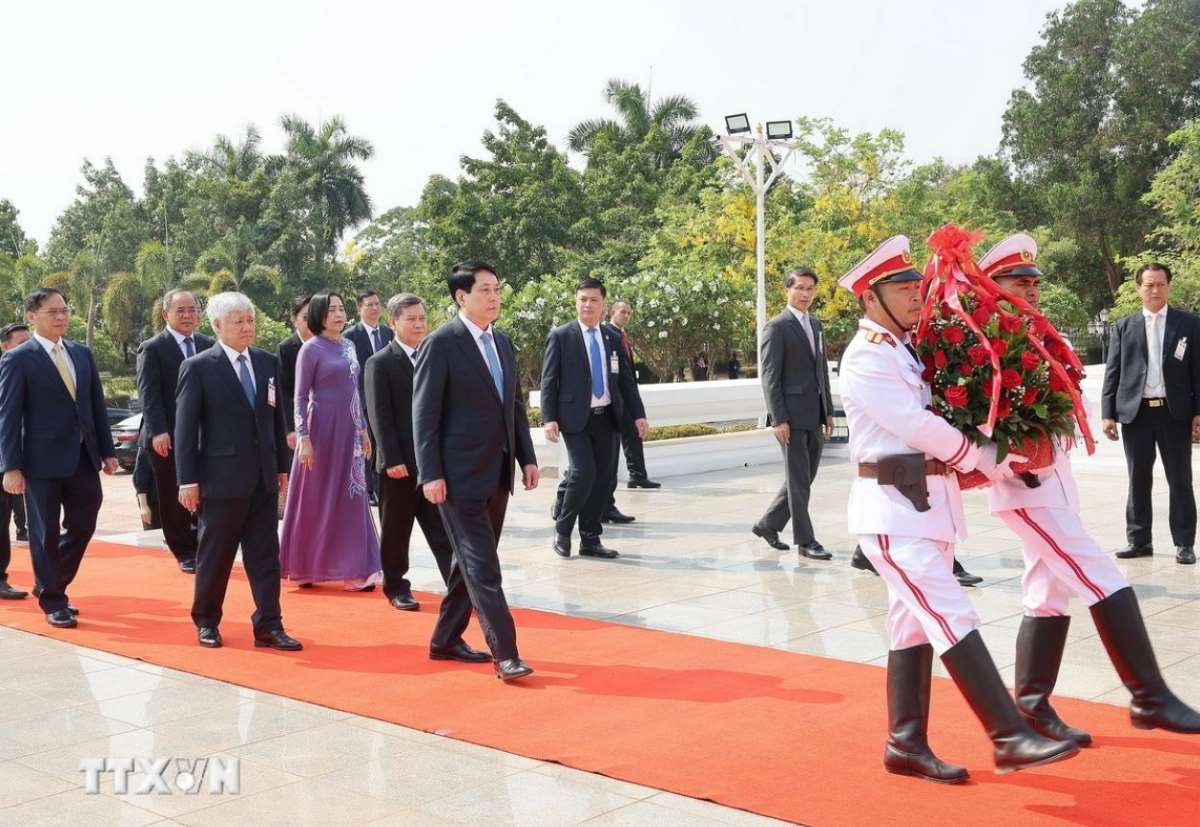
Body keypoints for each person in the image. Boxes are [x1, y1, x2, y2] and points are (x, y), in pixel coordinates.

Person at [838, 236, 1078, 783]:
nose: (915, 296)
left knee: (912, 626)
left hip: (927, 508)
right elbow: (917, 426)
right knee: (951, 613)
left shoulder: (904, 350)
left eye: (915, 286)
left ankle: (904, 744)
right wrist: (985, 455)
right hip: (892, 514)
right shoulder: (867, 357)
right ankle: (1009, 734)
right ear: (870, 298)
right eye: (902, 290)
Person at [982, 234, 1200, 738]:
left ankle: (1032, 706)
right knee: (1103, 576)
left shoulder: (1027, 332)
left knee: (1045, 591)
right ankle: (1150, 696)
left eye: (1034, 282)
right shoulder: (989, 339)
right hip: (1025, 487)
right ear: (993, 286)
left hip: (1054, 481)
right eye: (1020, 282)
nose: (1032, 290)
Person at [413, 260, 540, 681]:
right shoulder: (441, 344)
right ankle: (506, 653)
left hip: (496, 474)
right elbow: (424, 415)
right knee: (483, 565)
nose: (494, 296)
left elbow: (514, 406)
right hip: (456, 478)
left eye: (497, 289)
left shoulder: (502, 343)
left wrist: (526, 457)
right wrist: (430, 473)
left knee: (467, 565)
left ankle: (445, 638)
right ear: (460, 297)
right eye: (484, 290)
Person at [174, 291, 300, 651]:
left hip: (262, 479)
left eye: (250, 320)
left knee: (265, 557)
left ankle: (269, 625)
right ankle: (207, 621)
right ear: (216, 326)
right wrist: (188, 480)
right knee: (215, 558)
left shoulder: (265, 362)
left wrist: (280, 467)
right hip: (220, 481)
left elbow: (276, 417)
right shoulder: (198, 367)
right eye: (238, 321)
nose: (247, 327)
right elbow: (186, 429)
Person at [0, 288, 119, 628]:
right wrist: (11, 466)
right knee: (44, 532)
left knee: (84, 521)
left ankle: (49, 582)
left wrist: (108, 452)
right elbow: (8, 416)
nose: (61, 316)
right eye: (53, 311)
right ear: (32, 316)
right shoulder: (18, 358)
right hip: (40, 462)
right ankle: (54, 600)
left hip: (82, 457)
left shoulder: (82, 354)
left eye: (64, 310)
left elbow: (96, 406)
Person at [364, 294, 475, 629]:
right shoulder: (380, 362)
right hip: (399, 465)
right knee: (397, 529)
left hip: (434, 465)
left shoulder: (436, 355)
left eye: (422, 318)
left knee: (443, 530)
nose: (418, 324)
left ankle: (461, 588)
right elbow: (378, 416)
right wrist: (391, 458)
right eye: (410, 319)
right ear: (394, 322)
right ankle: (397, 587)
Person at [279, 292, 381, 591]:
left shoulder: (349, 345)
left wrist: (363, 429)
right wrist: (304, 438)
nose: (338, 314)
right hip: (320, 430)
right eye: (331, 309)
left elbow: (355, 390)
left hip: (349, 432)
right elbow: (299, 397)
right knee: (315, 498)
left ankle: (356, 570)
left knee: (353, 497)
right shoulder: (310, 350)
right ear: (319, 316)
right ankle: (306, 567)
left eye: (341, 308)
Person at [1101, 263, 1200, 565]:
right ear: (1138, 288)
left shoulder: (1189, 325)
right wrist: (1108, 414)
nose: (1155, 290)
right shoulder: (1124, 327)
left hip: (1174, 414)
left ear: (1168, 286)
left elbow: (1198, 371)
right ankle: (1139, 540)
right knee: (1138, 478)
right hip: (1137, 414)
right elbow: (1113, 372)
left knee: (1180, 479)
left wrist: (1198, 412)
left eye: (1160, 284)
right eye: (1148, 285)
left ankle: (1184, 543)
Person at [542, 279, 647, 560]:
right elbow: (549, 380)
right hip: (575, 419)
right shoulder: (562, 335)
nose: (587, 305)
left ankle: (590, 538)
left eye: (593, 300)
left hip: (607, 418)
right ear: (576, 302)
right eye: (582, 299)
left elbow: (626, 381)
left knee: (602, 480)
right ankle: (563, 530)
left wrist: (638, 415)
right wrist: (549, 418)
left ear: (603, 304)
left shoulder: (612, 337)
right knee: (582, 473)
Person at [752, 267, 836, 560]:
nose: (805, 294)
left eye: (810, 289)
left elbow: (820, 370)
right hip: (790, 416)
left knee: (804, 477)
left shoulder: (815, 325)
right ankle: (806, 540)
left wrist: (828, 410)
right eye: (799, 288)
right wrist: (779, 419)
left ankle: (767, 524)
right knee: (799, 480)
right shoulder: (777, 327)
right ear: (787, 290)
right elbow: (770, 377)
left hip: (814, 413)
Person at [135, 288, 214, 573]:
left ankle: (203, 542)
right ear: (165, 313)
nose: (187, 315)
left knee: (204, 490)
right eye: (180, 310)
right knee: (173, 493)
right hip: (166, 436)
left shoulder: (208, 344)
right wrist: (158, 431)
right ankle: (183, 549)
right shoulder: (153, 347)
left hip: (203, 435)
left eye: (192, 309)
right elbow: (149, 394)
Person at [345, 290, 394, 506]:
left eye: (377, 303)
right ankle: (368, 489)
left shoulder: (388, 333)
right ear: (359, 309)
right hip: (362, 400)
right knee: (367, 445)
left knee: (384, 442)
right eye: (369, 304)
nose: (374, 308)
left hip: (388, 399)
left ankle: (381, 487)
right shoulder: (350, 336)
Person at [0, 323, 31, 600]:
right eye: (20, 342)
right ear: (5, 346)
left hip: (14, 458)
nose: (26, 346)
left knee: (5, 518)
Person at [277, 294, 313, 457]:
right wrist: (290, 428)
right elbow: (283, 392)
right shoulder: (286, 348)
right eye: (306, 317)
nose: (312, 322)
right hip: (300, 421)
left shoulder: (327, 345)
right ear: (294, 319)